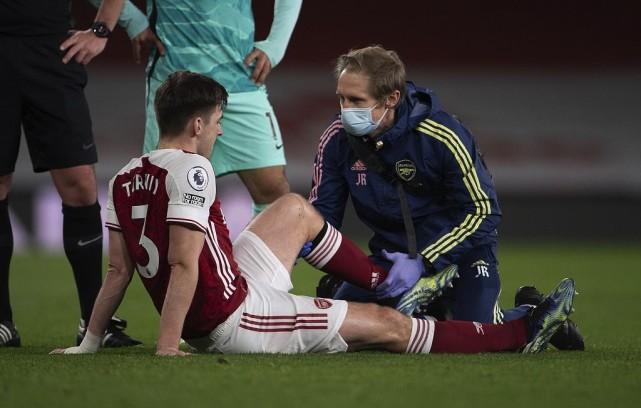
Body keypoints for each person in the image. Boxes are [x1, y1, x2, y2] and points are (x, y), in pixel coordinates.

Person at [50, 71, 576, 357]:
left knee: (293, 209)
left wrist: (89, 343)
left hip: (229, 285)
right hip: (235, 317)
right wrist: (169, 347)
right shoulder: (193, 170)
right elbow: (184, 264)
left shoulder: (124, 176)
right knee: (389, 327)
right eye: (217, 121)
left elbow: (117, 270)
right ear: (196, 125)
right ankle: (525, 328)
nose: (221, 130)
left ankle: (390, 280)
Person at [308, 45, 584, 350]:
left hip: (462, 251)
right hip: (395, 260)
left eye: (356, 100)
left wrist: (425, 260)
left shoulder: (442, 134)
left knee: (479, 336)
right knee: (344, 330)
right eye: (341, 99)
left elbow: (483, 210)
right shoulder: (336, 139)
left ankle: (531, 313)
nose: (345, 110)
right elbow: (321, 216)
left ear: (391, 99)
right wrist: (293, 246)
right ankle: (429, 310)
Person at [0, 0, 141, 348]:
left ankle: (94, 322)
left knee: (79, 184)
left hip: (51, 50)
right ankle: (2, 322)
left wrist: (101, 30)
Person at [117, 0, 302, 217]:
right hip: (177, 89)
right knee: (162, 194)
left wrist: (276, 45)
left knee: (275, 194)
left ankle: (251, 244)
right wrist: (133, 20)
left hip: (241, 81)